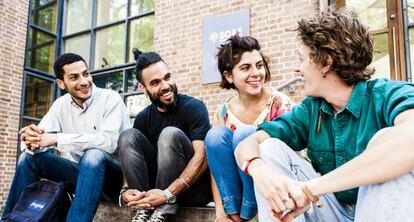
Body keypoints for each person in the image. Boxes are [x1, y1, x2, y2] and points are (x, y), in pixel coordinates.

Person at [235, 8, 414, 222]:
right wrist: (259, 171)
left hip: (384, 210)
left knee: (388, 145)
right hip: (333, 210)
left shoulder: (389, 95)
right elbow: (248, 143)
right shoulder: (312, 108)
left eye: (301, 59)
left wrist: (311, 189)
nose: (296, 68)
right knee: (268, 148)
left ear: (326, 63)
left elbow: (410, 141)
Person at [2, 53, 130, 222]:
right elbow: (37, 141)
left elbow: (109, 142)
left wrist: (56, 139)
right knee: (28, 159)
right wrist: (31, 139)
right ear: (61, 83)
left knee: (93, 154)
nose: (84, 81)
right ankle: (10, 219)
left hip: (114, 180)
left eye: (86, 74)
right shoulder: (60, 105)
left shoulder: (110, 98)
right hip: (83, 178)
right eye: (74, 77)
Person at [205, 34, 294, 222]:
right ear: (229, 76)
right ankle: (235, 213)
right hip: (235, 203)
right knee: (214, 136)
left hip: (271, 194)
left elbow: (289, 158)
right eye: (245, 68)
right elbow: (216, 168)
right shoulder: (223, 113)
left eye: (259, 65)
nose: (256, 73)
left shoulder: (279, 104)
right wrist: (221, 214)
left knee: (246, 135)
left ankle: (251, 209)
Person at [117, 50, 212, 222]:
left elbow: (202, 156)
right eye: (155, 83)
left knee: (169, 134)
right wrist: (125, 190)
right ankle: (144, 208)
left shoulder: (194, 107)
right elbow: (133, 158)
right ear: (143, 88)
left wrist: (167, 194)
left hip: (190, 189)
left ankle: (162, 210)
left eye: (167, 77)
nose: (165, 86)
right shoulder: (143, 118)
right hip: (155, 194)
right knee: (127, 136)